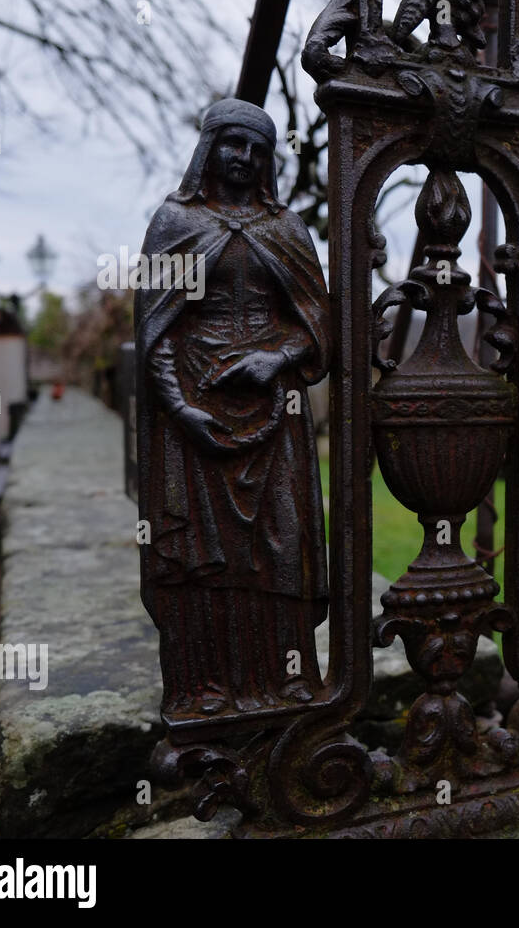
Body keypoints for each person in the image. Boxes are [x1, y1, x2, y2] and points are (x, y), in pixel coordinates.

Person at [135, 98, 331, 719]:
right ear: (209, 148)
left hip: (275, 413)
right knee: (201, 553)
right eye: (232, 144)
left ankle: (288, 681)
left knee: (283, 541)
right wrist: (178, 407)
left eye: (257, 150)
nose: (244, 159)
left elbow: (320, 324)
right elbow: (156, 331)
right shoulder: (175, 223)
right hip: (196, 414)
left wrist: (277, 358)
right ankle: (203, 690)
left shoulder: (288, 230)